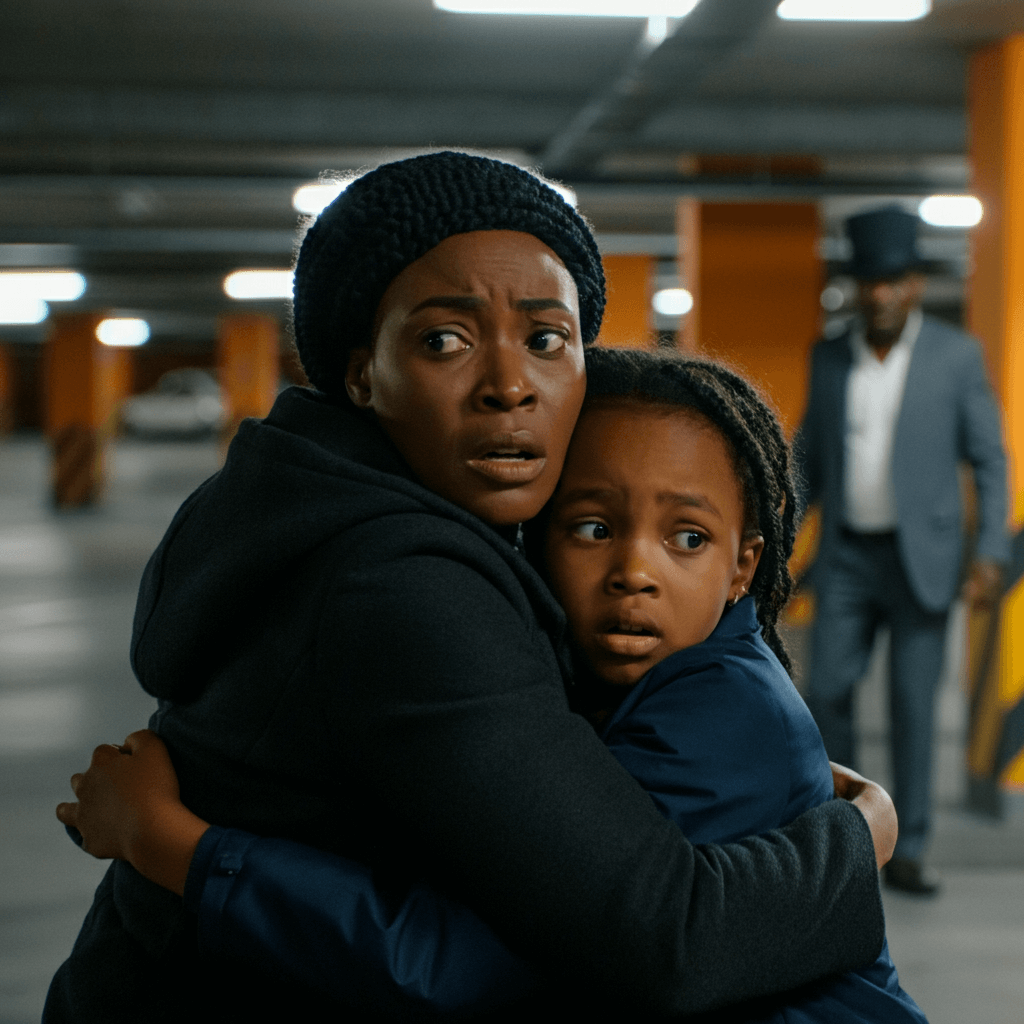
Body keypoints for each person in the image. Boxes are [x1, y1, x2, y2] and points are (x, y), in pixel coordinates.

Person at [47, 152, 893, 1021]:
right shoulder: (406, 586)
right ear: (360, 371)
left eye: (546, 339)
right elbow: (663, 936)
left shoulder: (306, 505)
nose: (508, 385)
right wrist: (861, 834)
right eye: (444, 340)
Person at [794, 205, 1009, 896]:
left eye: (893, 281)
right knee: (825, 691)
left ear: (914, 283)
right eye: (868, 282)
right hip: (849, 557)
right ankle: (850, 837)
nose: (880, 294)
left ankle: (908, 848)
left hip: (925, 559)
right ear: (855, 288)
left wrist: (991, 552)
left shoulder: (955, 356)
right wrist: (771, 539)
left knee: (915, 708)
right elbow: (807, 462)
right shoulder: (827, 356)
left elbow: (990, 459)